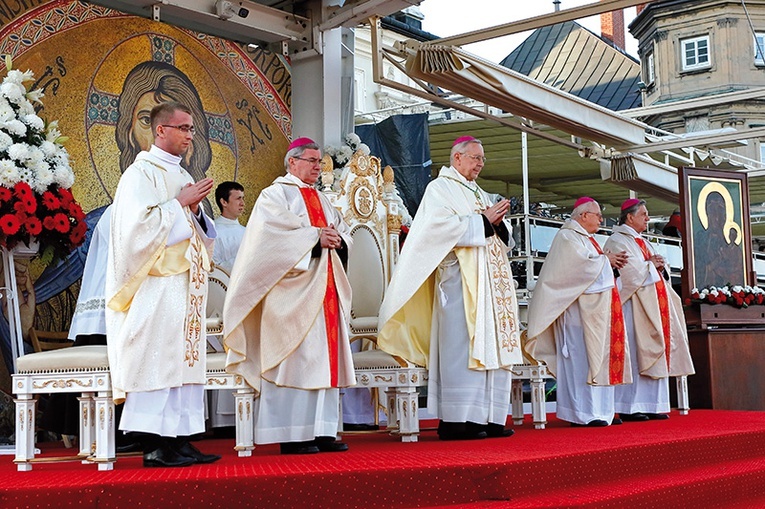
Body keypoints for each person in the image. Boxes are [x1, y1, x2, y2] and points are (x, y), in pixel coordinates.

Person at [377, 135, 522, 441]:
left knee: (492, 349)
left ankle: (489, 417)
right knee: (464, 349)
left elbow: (501, 239)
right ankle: (458, 420)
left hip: (490, 285)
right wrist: (482, 221)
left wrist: (496, 223)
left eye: (482, 159)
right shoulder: (439, 189)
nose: (480, 164)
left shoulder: (479, 192)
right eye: (475, 158)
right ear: (457, 158)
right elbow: (433, 230)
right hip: (459, 286)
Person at [223, 137, 355, 455]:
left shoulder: (322, 200)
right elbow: (267, 243)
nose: (317, 166)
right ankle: (294, 435)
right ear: (292, 162)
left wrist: (339, 240)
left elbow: (342, 229)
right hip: (290, 295)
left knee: (322, 362)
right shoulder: (275, 195)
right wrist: (314, 238)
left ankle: (322, 431)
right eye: (311, 160)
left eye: (319, 161)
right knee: (298, 361)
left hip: (325, 291)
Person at [106, 101, 219, 468]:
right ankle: (154, 446)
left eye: (191, 129)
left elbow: (200, 233)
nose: (190, 135)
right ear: (160, 130)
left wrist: (197, 211)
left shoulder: (183, 176)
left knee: (183, 362)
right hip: (156, 287)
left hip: (186, 286)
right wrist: (179, 205)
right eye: (183, 128)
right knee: (156, 361)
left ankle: (181, 440)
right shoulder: (139, 174)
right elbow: (134, 231)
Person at [526, 197, 631, 427]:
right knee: (581, 363)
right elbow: (575, 271)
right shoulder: (567, 237)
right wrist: (606, 262)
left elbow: (594, 269)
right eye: (597, 215)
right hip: (576, 317)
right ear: (583, 215)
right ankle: (582, 414)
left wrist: (611, 266)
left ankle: (602, 411)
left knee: (597, 359)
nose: (601, 219)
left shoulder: (589, 240)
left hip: (596, 315)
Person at [604, 199, 695, 421]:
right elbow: (627, 274)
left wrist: (660, 267)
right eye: (644, 214)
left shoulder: (642, 241)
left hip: (655, 306)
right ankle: (630, 406)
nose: (648, 218)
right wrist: (650, 266)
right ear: (629, 217)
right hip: (634, 309)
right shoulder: (617, 241)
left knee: (656, 352)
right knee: (637, 354)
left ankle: (653, 405)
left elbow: (654, 270)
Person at [212, 181, 246, 272]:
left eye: (243, 198)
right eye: (238, 198)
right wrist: (246, 259)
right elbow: (213, 268)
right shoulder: (212, 231)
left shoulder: (248, 232)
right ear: (224, 202)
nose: (242, 203)